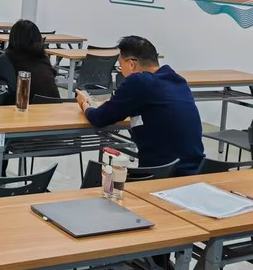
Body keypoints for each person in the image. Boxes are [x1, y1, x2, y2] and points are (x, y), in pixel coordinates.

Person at [76, 36, 205, 176]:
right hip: (196, 170)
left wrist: (84, 104)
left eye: (120, 65)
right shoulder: (178, 80)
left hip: (162, 173)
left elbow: (99, 118)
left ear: (131, 64)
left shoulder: (138, 81)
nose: (121, 70)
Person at [0, 20, 59, 103]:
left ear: (13, 38)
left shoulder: (8, 58)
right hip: (56, 105)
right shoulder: (43, 58)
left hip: (27, 106)